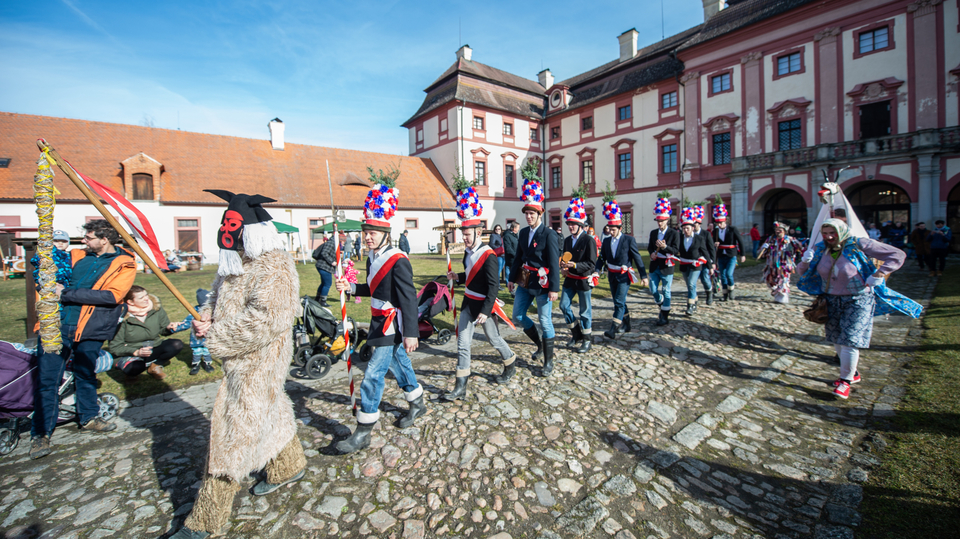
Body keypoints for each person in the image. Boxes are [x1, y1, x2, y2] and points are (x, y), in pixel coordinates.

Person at [170, 190, 305, 539]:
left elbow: (269, 318)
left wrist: (217, 335)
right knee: (270, 411)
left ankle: (205, 521)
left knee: (234, 428)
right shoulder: (236, 258)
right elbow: (217, 293)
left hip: (260, 360)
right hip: (239, 357)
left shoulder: (274, 264)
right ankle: (288, 465)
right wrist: (206, 315)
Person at [30, 219, 135, 460]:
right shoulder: (76, 255)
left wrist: (64, 293)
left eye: (88, 237)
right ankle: (40, 434)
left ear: (104, 239)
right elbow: (47, 273)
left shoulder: (124, 264)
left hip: (92, 328)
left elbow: (111, 296)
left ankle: (88, 418)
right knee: (48, 380)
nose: (83, 241)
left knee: (86, 374)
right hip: (57, 325)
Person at [334, 179, 425, 454]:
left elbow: (408, 298)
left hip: (391, 324)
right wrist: (350, 287)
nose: (368, 237)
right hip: (378, 321)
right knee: (399, 365)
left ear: (385, 233)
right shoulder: (372, 258)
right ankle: (418, 402)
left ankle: (363, 430)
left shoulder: (398, 260)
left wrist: (411, 332)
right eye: (365, 232)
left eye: (373, 232)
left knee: (373, 373)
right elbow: (373, 288)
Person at [798, 218, 921, 399]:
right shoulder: (820, 248)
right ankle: (853, 373)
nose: (829, 237)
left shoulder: (858, 244)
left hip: (858, 298)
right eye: (825, 233)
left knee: (850, 339)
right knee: (836, 338)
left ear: (841, 231)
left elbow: (897, 255)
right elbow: (804, 274)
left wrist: (879, 273)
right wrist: (805, 261)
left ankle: (845, 381)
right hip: (830, 300)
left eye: (833, 233)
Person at [441, 185, 517, 397]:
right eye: (463, 234)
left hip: (484, 307)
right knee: (463, 344)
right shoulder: (467, 253)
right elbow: (472, 276)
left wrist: (485, 311)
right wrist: (458, 277)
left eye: (467, 234)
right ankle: (460, 386)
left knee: (494, 340)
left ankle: (510, 360)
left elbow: (493, 285)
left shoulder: (489, 254)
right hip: (468, 304)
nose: (464, 238)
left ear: (478, 232)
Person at [508, 177, 560, 377]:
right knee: (518, 316)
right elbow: (518, 258)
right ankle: (539, 344)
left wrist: (554, 288)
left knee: (545, 320)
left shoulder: (549, 235)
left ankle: (548, 360)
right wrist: (512, 278)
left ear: (540, 213)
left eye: (532, 213)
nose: (528, 217)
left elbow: (554, 263)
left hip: (543, 283)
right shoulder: (522, 233)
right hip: (524, 280)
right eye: (526, 213)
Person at [596, 196, 648, 336]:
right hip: (612, 275)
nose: (610, 232)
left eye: (613, 230)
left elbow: (637, 258)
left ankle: (613, 329)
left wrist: (643, 276)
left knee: (619, 301)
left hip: (624, 275)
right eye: (609, 229)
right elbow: (602, 258)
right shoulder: (606, 241)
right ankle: (627, 323)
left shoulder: (629, 240)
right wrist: (596, 270)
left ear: (619, 228)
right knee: (618, 301)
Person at [109, 285, 184, 379]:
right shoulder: (121, 318)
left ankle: (155, 365)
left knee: (177, 344)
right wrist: (136, 352)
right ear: (130, 302)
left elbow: (163, 331)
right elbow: (115, 347)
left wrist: (169, 328)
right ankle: (131, 372)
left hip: (153, 347)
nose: (146, 299)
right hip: (130, 352)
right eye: (141, 297)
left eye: (146, 295)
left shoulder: (155, 309)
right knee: (136, 367)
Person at [558, 192, 597, 353]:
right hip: (570, 280)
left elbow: (591, 264)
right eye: (569, 224)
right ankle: (576, 334)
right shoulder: (567, 240)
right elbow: (565, 258)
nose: (570, 226)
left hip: (583, 279)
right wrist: (563, 266)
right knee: (563, 305)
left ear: (581, 225)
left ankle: (587, 339)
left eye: (573, 224)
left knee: (584, 311)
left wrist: (575, 265)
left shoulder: (589, 240)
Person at [647, 197, 680, 326]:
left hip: (667, 266)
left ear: (667, 220)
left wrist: (665, 247)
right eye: (658, 221)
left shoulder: (674, 233)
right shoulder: (653, 233)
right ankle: (659, 300)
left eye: (662, 221)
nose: (659, 223)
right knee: (653, 289)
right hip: (655, 265)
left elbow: (676, 250)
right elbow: (650, 247)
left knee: (666, 290)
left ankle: (664, 315)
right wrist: (651, 254)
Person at [168, 289, 215, 376]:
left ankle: (207, 364)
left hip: (208, 339)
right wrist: (174, 329)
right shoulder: (195, 311)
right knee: (197, 353)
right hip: (196, 339)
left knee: (207, 352)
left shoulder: (214, 311)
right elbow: (186, 323)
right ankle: (195, 365)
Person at [677, 208, 711, 315]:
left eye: (687, 228)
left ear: (692, 228)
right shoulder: (680, 238)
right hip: (684, 265)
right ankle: (694, 301)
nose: (685, 230)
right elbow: (674, 249)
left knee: (692, 283)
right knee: (690, 285)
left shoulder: (699, 239)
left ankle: (690, 306)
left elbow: (705, 252)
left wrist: (710, 267)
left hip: (695, 265)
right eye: (684, 228)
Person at [758, 222, 799, 303]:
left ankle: (783, 296)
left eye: (779, 230)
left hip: (784, 265)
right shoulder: (771, 239)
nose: (777, 231)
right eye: (776, 230)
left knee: (783, 280)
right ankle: (777, 293)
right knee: (771, 280)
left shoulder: (790, 240)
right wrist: (764, 248)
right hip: (772, 265)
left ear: (784, 231)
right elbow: (762, 254)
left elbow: (798, 249)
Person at [711, 203, 746, 301]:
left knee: (729, 274)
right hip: (721, 255)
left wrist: (742, 254)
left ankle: (731, 291)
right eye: (717, 223)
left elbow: (740, 241)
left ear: (725, 221)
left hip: (731, 255)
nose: (719, 224)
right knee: (722, 275)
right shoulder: (716, 232)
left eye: (721, 222)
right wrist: (715, 244)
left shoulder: (732, 229)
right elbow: (713, 243)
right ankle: (725, 294)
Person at [694, 206, 717, 305]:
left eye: (695, 224)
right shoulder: (690, 234)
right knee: (692, 281)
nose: (693, 226)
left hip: (705, 260)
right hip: (694, 261)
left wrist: (713, 262)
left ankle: (709, 293)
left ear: (699, 224)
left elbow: (711, 248)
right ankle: (693, 299)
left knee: (705, 278)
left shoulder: (706, 234)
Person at [312, 236, 337, 307]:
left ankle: (317, 299)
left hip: (322, 266)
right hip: (324, 266)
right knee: (327, 284)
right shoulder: (331, 243)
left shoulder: (333, 243)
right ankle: (322, 301)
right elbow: (324, 253)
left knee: (324, 283)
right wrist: (332, 261)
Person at [503, 222, 519, 287]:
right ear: (514, 228)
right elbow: (508, 249)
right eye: (518, 228)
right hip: (511, 259)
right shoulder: (507, 236)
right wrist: (516, 255)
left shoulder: (515, 235)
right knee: (512, 275)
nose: (518, 229)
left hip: (516, 259)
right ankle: (512, 290)